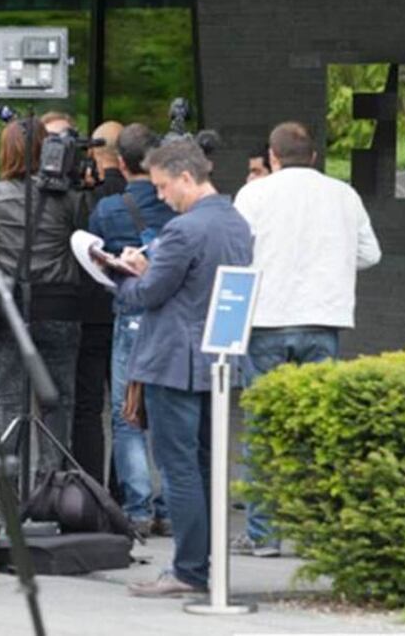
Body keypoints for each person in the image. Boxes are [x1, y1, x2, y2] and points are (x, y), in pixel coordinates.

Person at [232, 121, 382, 557]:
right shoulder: (344, 195)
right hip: (323, 322)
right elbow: (370, 254)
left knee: (262, 429)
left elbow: (238, 251)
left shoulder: (254, 195)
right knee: (319, 428)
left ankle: (263, 535)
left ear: (273, 158)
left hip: (265, 323)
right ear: (314, 157)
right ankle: (318, 533)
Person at [113, 139, 252, 596]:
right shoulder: (236, 222)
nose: (160, 196)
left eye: (163, 186)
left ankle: (189, 570)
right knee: (207, 465)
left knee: (179, 469)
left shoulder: (182, 230)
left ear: (187, 178)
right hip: (218, 359)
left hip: (174, 359)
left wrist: (127, 275)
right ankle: (202, 564)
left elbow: (149, 294)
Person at [0, 119, 82, 475]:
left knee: (6, 399)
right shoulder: (71, 200)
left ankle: (6, 494)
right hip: (60, 304)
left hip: (6, 308)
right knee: (58, 400)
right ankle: (51, 486)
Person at [89, 123, 176, 538]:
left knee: (128, 417)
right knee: (168, 413)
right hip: (171, 316)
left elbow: (95, 256)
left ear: (119, 163)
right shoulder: (175, 202)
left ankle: (137, 508)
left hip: (129, 315)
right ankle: (171, 506)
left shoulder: (108, 208)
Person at [70, 119, 125, 485]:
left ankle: (89, 488)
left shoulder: (86, 199)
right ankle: (124, 492)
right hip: (126, 311)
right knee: (125, 410)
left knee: (87, 407)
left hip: (88, 312)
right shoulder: (138, 194)